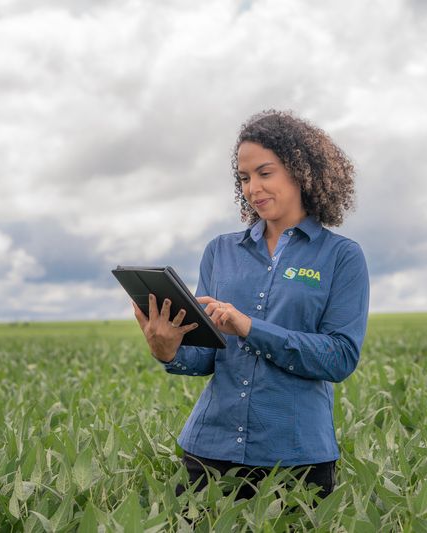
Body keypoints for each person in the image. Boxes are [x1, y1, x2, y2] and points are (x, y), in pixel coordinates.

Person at [132, 109, 369, 500]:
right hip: (210, 454)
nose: (252, 188)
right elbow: (206, 356)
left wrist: (249, 327)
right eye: (244, 178)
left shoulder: (342, 257)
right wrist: (168, 349)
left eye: (264, 173)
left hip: (298, 461)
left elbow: (339, 358)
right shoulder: (220, 251)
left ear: (300, 171)